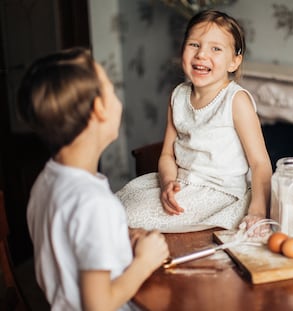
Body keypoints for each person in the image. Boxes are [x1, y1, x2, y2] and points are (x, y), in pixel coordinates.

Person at [17, 47, 170, 311]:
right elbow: (98, 306)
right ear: (99, 109)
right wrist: (144, 262)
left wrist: (120, 236)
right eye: (111, 88)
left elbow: (71, 241)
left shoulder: (46, 180)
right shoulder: (95, 203)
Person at [117, 10, 272, 234]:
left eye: (216, 49)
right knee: (117, 203)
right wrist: (168, 183)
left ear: (234, 61)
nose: (201, 55)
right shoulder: (178, 95)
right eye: (194, 45)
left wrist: (257, 210)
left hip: (218, 192)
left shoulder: (235, 101)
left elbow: (260, 163)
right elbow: (167, 155)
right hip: (181, 181)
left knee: (130, 217)